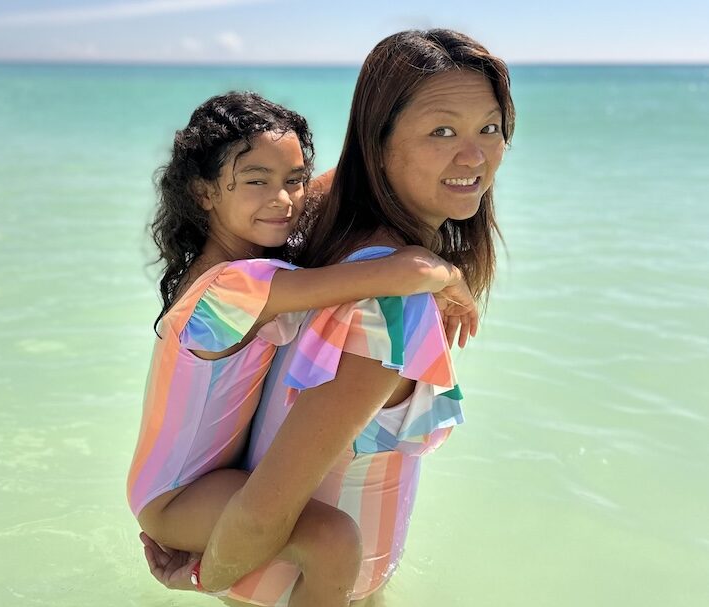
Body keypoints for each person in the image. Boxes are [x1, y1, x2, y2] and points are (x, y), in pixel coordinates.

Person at [142, 28, 515, 606]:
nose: (475, 155)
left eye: (489, 128)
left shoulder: (313, 219)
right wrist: (197, 576)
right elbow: (266, 508)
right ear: (378, 142)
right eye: (442, 131)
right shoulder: (376, 297)